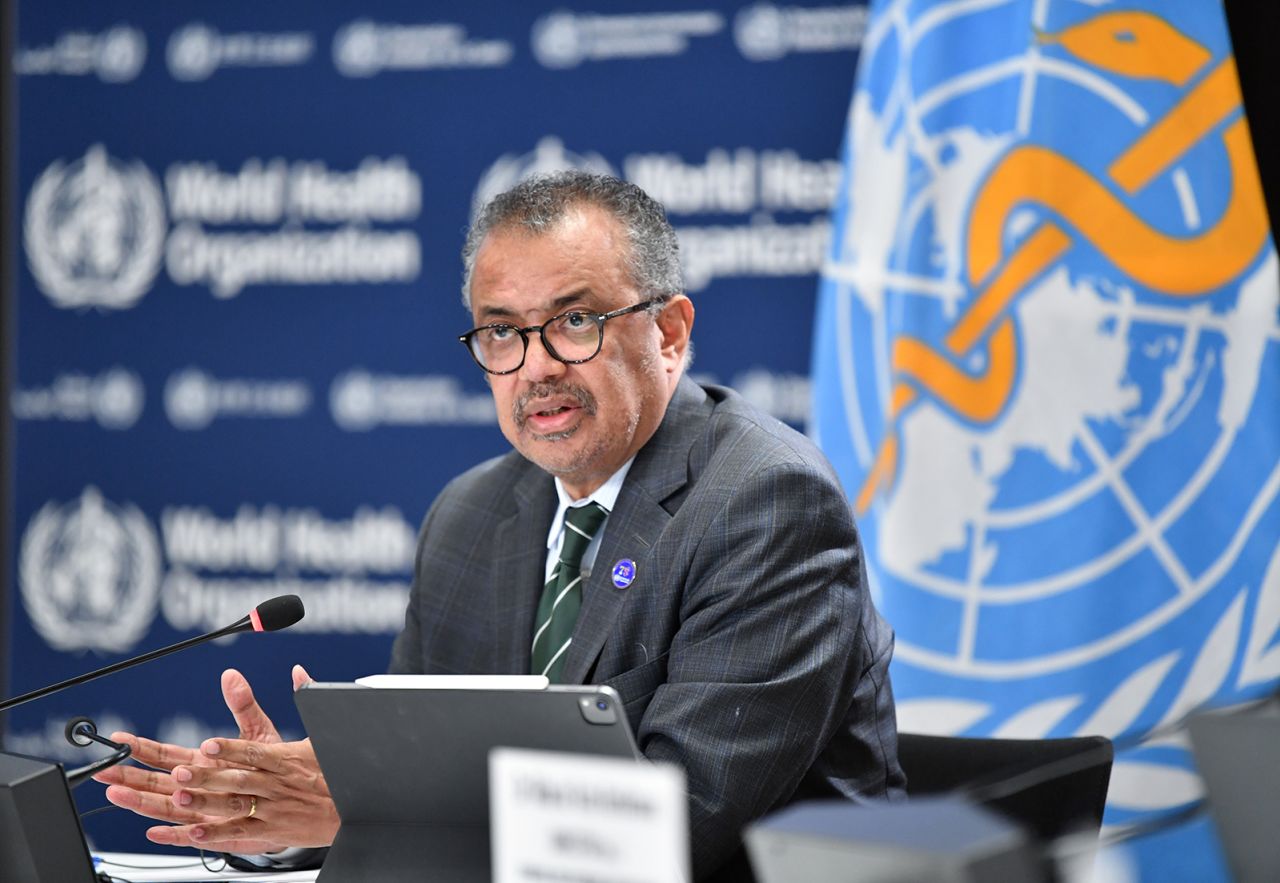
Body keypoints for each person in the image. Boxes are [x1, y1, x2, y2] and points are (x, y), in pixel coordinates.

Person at [95, 172, 905, 880]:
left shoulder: (764, 501)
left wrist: (368, 813)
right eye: (501, 332)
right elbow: (407, 781)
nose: (538, 365)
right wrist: (272, 817)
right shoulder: (474, 515)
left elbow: (671, 834)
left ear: (669, 332)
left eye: (575, 321)